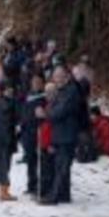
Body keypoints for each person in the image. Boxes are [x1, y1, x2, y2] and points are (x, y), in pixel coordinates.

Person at [40, 66, 82, 205]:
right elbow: (55, 107)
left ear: (67, 76)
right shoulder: (64, 90)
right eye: (55, 76)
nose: (56, 79)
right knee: (62, 166)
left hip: (67, 134)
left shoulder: (71, 91)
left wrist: (46, 114)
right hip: (61, 133)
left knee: (61, 167)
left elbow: (60, 111)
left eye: (59, 76)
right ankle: (64, 195)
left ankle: (54, 197)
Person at [21, 75, 46, 196]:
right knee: (30, 160)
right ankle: (31, 184)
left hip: (39, 131)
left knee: (41, 160)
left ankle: (41, 185)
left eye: (38, 82)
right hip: (28, 132)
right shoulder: (27, 96)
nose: (35, 84)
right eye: (34, 82)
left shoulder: (44, 97)